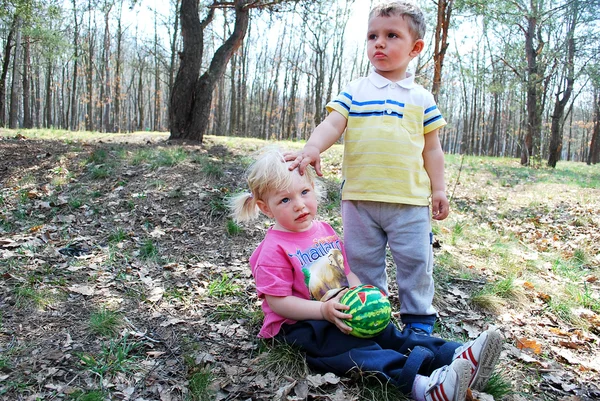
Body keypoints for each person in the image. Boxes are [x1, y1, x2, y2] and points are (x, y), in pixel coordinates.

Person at [229, 147, 502, 401]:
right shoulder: (273, 249)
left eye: (304, 193)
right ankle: (426, 387)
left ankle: (454, 355)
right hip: (301, 326)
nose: (299, 205)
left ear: (313, 188)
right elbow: (278, 303)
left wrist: (362, 293)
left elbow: (346, 272)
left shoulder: (324, 231)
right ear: (266, 208)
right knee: (358, 352)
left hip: (341, 309)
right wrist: (323, 312)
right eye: (285, 199)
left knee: (389, 334)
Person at [286, 0, 448, 336]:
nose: (380, 43)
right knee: (363, 264)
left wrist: (439, 189)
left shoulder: (421, 98)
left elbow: (432, 149)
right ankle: (374, 319)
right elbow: (332, 123)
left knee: (416, 264)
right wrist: (313, 147)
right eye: (373, 35)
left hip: (410, 202)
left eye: (392, 35)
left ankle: (419, 323)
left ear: (415, 48)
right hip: (359, 199)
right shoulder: (356, 91)